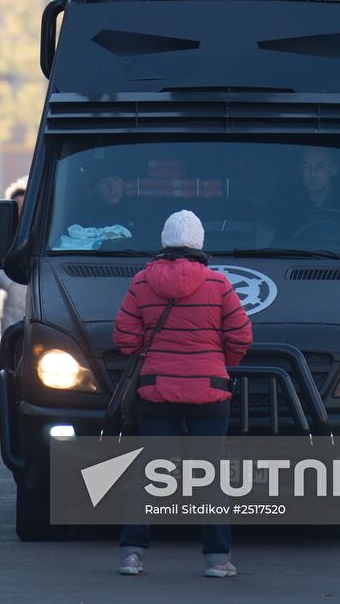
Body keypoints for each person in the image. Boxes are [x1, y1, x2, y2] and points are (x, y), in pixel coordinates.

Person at [113, 209, 252, 578]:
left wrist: (151, 353)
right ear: (200, 243)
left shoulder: (142, 282)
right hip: (210, 391)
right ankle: (217, 560)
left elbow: (124, 336)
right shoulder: (218, 285)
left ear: (164, 241)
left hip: (156, 390)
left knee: (149, 473)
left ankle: (131, 554)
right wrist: (219, 362)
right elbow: (241, 336)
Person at [0, 177, 28, 334]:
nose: (21, 210)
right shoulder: (2, 233)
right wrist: (11, 285)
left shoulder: (39, 232)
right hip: (13, 304)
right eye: (17, 206)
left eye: (24, 205)